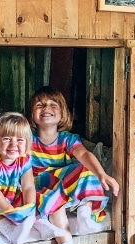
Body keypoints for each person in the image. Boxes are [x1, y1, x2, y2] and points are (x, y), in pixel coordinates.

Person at [0, 112, 98, 244]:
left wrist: (28, 208)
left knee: (42, 202)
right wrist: (11, 213)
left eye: (20, 140)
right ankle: (14, 235)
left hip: (15, 195)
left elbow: (28, 186)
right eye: (7, 139)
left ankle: (46, 231)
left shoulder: (24, 159)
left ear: (27, 142)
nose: (14, 145)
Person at [29, 86, 119, 235]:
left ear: (62, 113)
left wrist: (101, 174)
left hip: (61, 186)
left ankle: (84, 215)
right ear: (32, 114)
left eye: (53, 104)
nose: (46, 108)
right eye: (40, 105)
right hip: (36, 185)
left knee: (84, 168)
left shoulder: (67, 139)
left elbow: (83, 155)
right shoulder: (27, 138)